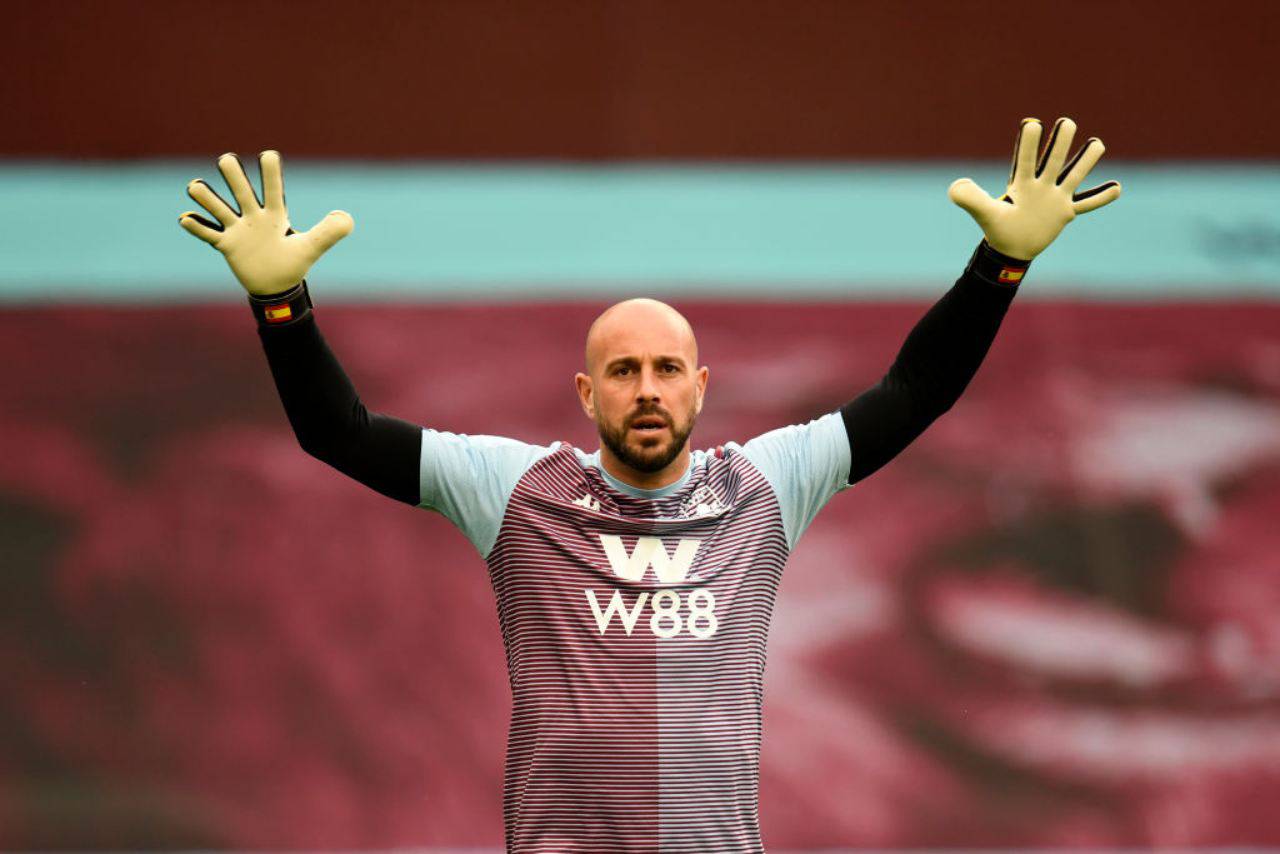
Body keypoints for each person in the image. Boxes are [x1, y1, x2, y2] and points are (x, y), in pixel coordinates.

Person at [178, 117, 1120, 853]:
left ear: (700, 387)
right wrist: (280, 305)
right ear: (587, 393)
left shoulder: (765, 484)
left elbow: (916, 391)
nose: (648, 391)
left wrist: (1001, 265)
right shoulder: (514, 489)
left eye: (668, 370)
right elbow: (337, 434)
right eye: (623, 372)